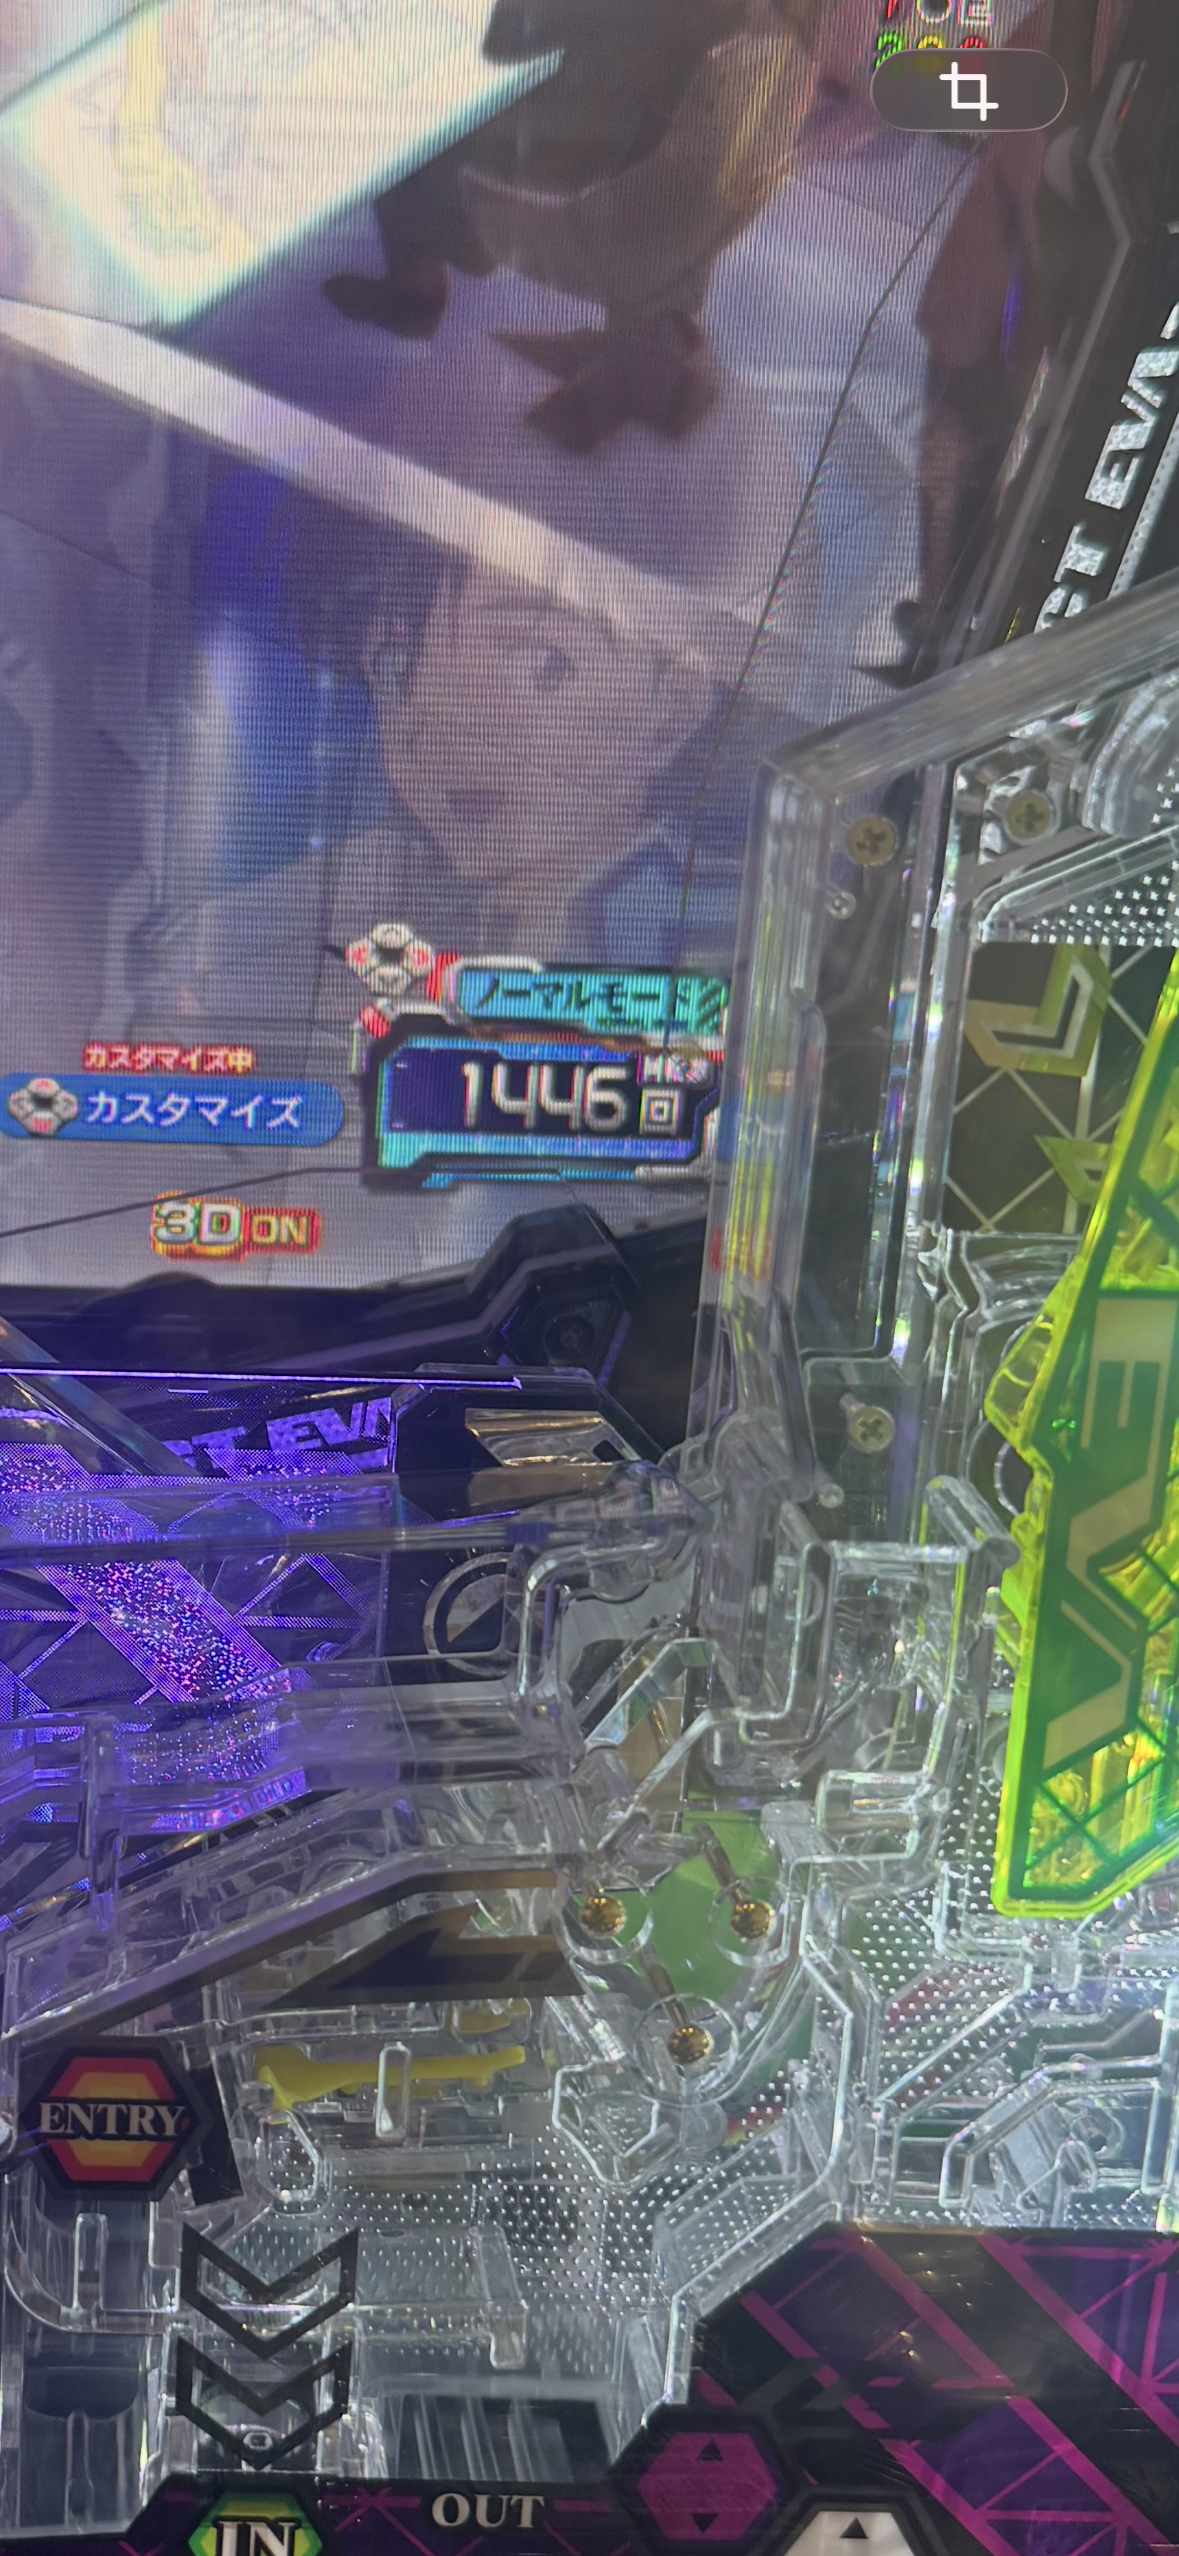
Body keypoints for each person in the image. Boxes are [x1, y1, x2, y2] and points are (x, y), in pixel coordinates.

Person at [324, 0, 822, 450]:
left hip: (597, 137)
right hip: (637, 141)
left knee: (403, 138)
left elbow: (506, 38)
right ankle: (449, 255)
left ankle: (424, 280)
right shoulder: (787, 32)